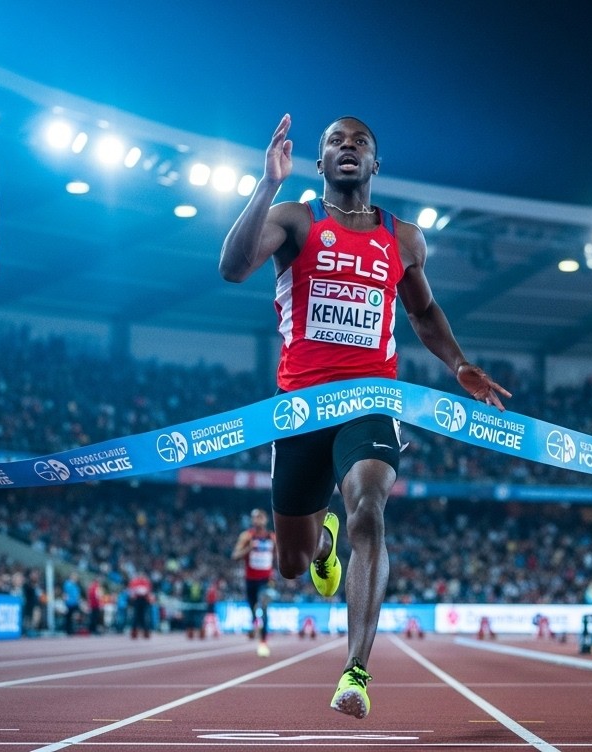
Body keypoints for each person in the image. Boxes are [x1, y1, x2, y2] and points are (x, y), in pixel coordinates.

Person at [219, 114, 511, 719]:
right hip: (299, 404)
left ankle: (356, 668)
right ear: (319, 162)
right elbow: (233, 266)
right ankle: (323, 546)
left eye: (360, 143)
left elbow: (425, 312)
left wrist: (459, 364)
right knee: (294, 566)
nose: (347, 148)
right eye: (334, 142)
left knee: (369, 506)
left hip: (372, 399)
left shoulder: (403, 239)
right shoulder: (297, 219)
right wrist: (267, 185)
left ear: (376, 165)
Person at [231, 508, 276, 657]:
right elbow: (235, 555)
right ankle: (253, 623)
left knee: (263, 607)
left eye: (261, 517)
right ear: (252, 520)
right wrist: (249, 548)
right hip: (250, 580)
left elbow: (281, 555)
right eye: (255, 517)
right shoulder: (247, 536)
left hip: (266, 580)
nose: (258, 520)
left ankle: (263, 642)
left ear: (266, 519)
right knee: (253, 609)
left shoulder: (272, 537)